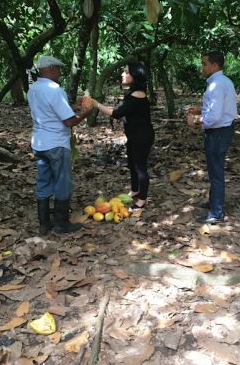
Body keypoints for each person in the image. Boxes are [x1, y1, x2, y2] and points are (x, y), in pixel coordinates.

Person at [28, 55, 93, 235]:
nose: (59, 72)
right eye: (58, 68)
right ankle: (61, 224)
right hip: (56, 143)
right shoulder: (55, 89)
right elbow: (70, 122)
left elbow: (51, 109)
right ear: (50, 69)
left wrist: (74, 106)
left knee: (43, 180)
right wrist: (86, 113)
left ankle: (44, 224)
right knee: (62, 182)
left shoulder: (33, 88)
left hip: (40, 143)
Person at [90, 61, 155, 209]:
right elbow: (128, 113)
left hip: (142, 136)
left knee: (140, 167)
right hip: (134, 135)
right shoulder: (132, 93)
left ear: (135, 75)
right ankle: (135, 190)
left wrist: (96, 104)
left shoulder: (138, 94)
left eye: (126, 72)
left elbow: (118, 112)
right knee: (132, 164)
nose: (122, 74)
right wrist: (122, 118)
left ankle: (142, 199)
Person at [186, 51, 237, 224]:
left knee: (216, 173)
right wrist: (201, 111)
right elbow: (220, 109)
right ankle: (213, 202)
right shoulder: (224, 82)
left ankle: (216, 213)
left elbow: (214, 117)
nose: (202, 67)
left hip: (218, 132)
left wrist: (197, 120)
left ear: (214, 66)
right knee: (214, 170)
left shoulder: (216, 85)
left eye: (204, 64)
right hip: (223, 130)